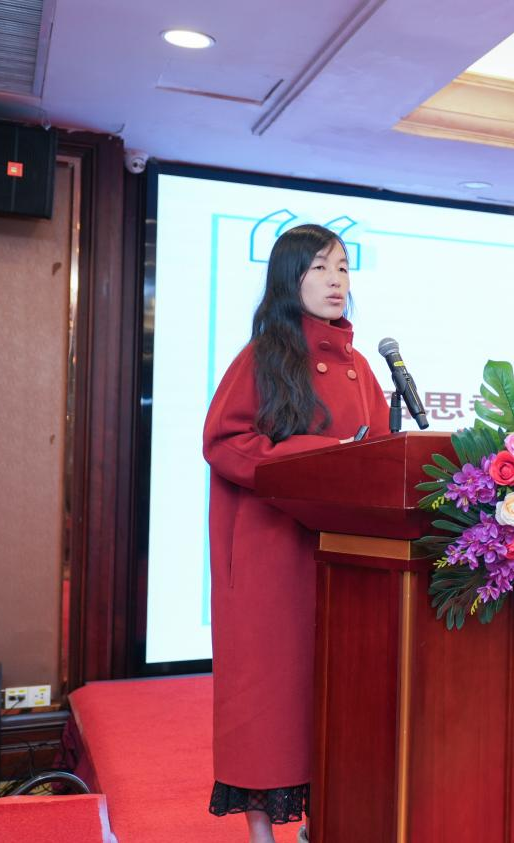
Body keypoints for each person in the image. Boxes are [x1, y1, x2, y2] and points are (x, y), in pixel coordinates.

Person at [203, 224, 391, 842]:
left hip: (340, 554)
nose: (336, 281)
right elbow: (225, 443)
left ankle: (323, 820)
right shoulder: (263, 356)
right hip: (272, 553)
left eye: (343, 268)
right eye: (319, 268)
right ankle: (261, 833)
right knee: (267, 694)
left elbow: (380, 456)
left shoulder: (361, 365)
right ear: (290, 279)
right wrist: (317, 455)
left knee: (331, 690)